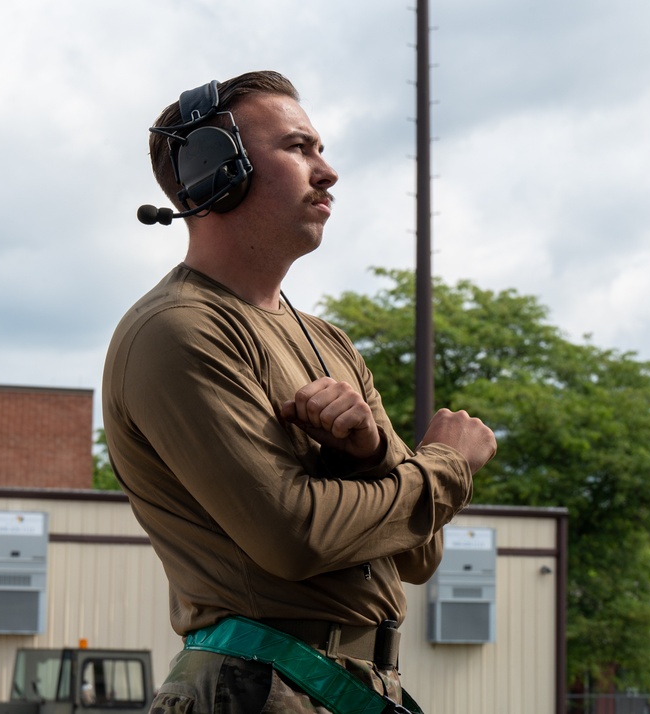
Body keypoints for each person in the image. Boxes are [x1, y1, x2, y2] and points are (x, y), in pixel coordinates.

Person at [102, 70, 496, 714]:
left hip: (350, 687)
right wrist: (446, 464)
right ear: (215, 169)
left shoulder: (328, 341)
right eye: (298, 147)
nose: (328, 170)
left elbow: (419, 552)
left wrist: (367, 458)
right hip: (255, 686)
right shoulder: (179, 330)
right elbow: (295, 537)